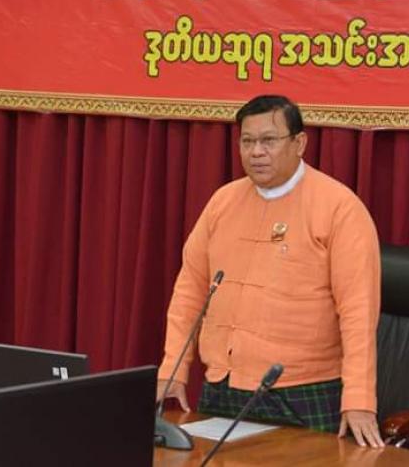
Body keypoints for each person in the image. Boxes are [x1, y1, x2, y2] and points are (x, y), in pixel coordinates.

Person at [157, 95, 383, 448]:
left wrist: (359, 398)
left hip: (302, 393)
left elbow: (359, 312)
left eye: (269, 141)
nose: (256, 152)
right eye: (247, 141)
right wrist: (173, 368)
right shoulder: (223, 202)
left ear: (299, 143)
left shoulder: (339, 208)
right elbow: (190, 291)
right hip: (223, 387)